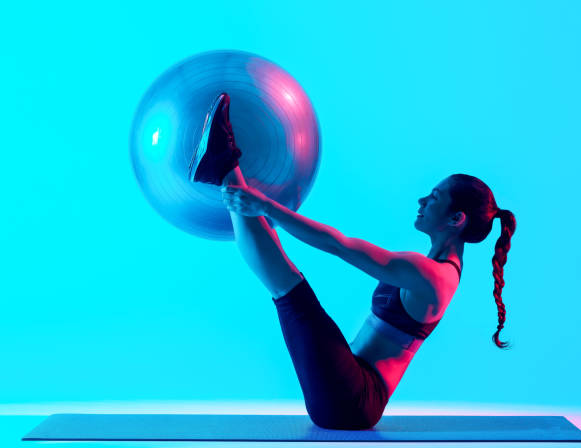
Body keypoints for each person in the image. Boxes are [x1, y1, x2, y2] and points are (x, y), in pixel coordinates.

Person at [189, 92, 517, 430]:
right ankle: (222, 166)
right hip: (348, 384)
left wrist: (268, 207)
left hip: (355, 400)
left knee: (291, 292)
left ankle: (223, 164)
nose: (421, 200)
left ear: (456, 219)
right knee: (288, 290)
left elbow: (340, 246)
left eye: (434, 197)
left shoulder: (433, 277)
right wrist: (263, 208)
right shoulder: (426, 267)